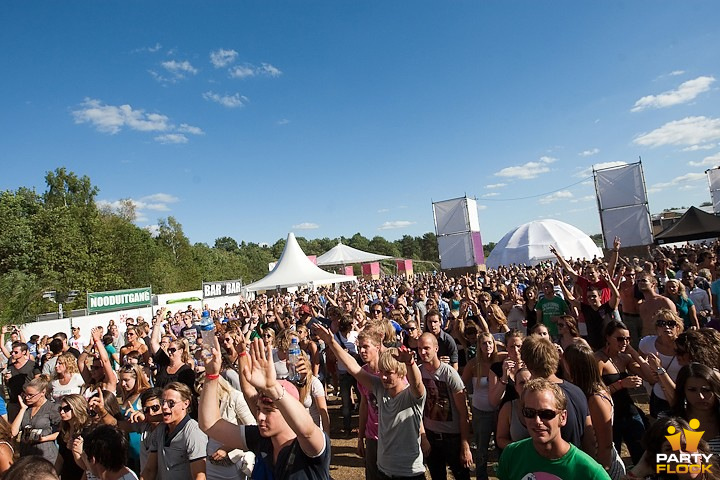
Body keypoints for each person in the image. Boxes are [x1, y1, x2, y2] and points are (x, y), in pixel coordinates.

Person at [199, 338, 331, 480]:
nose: (260, 417)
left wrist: (272, 388)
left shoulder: (310, 446)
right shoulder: (261, 438)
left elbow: (307, 431)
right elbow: (210, 425)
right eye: (259, 409)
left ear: (287, 412)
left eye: (268, 411)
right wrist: (212, 375)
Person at [314, 323, 426, 479]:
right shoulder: (380, 388)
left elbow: (418, 384)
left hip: (409, 472)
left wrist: (411, 363)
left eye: (389, 373)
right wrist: (331, 342)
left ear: (401, 373)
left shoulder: (412, 396)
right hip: (383, 470)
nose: (383, 377)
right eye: (382, 372)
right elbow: (353, 367)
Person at [496, 378, 611, 480]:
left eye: (546, 413)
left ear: (563, 417)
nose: (537, 421)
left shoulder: (590, 472)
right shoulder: (511, 455)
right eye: (529, 413)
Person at [520, 335, 594, 453]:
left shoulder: (534, 397)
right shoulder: (577, 391)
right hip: (577, 460)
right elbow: (589, 437)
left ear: (527, 364)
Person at [563, 343, 626, 479]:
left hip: (603, 467)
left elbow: (606, 445)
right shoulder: (581, 392)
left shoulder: (596, 399)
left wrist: (599, 473)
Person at [418, 333, 472, 480]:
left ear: (436, 349)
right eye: (420, 349)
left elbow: (463, 413)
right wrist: (423, 437)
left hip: (452, 438)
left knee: (461, 475)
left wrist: (465, 444)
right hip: (430, 435)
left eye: (427, 348)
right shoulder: (418, 371)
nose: (423, 352)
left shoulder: (449, 374)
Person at [595, 320, 650, 465]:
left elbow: (650, 377)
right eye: (620, 339)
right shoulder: (599, 360)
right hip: (610, 415)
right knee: (613, 458)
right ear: (607, 338)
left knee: (642, 453)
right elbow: (594, 393)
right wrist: (620, 384)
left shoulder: (624, 358)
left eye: (627, 339)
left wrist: (633, 352)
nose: (624, 342)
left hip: (629, 411)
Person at [141, 382, 207, 480]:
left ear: (185, 404)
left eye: (171, 403)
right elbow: (149, 470)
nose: (164, 407)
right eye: (163, 402)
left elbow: (200, 476)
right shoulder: (160, 430)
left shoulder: (193, 432)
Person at [461, 332, 499, 480]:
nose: (488, 346)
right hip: (480, 412)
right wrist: (466, 404)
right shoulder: (473, 364)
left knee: (501, 447)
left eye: (490, 342)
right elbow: (461, 385)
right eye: (484, 343)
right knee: (481, 450)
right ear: (479, 346)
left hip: (499, 411)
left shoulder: (500, 359)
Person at [639, 309, 684, 417]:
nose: (666, 327)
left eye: (671, 323)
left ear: (678, 327)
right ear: (656, 328)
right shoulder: (647, 343)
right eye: (661, 324)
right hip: (658, 396)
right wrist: (648, 375)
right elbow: (638, 362)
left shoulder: (684, 346)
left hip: (680, 397)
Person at [669, 363, 720, 456]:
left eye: (706, 390)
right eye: (692, 390)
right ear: (683, 391)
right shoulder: (669, 421)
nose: (700, 396)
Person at [10, 376, 61, 464]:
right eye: (26, 394)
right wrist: (22, 409)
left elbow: (61, 432)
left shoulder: (52, 408)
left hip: (45, 455)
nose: (27, 398)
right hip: (26, 456)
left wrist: (44, 438)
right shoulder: (26, 409)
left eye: (31, 395)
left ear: (43, 392)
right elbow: (13, 432)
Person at [118, 363, 151, 473]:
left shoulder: (145, 395)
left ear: (137, 378)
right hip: (127, 449)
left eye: (126, 380)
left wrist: (139, 413)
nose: (122, 384)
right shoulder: (127, 395)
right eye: (121, 380)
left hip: (140, 448)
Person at [495, 367, 532, 449]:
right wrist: (520, 448)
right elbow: (500, 439)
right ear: (515, 387)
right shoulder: (508, 408)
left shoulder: (544, 405)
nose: (526, 386)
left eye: (530, 382)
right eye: (522, 383)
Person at [3, 340, 40, 421]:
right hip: (14, 401)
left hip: (29, 401)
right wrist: (7, 379)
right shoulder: (11, 367)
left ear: (23, 352)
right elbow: (8, 384)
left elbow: (39, 380)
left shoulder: (32, 365)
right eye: (12, 352)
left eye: (16, 352)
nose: (13, 354)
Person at [55, 394, 90, 480]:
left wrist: (76, 452)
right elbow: (60, 458)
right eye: (60, 409)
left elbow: (89, 467)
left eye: (66, 409)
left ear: (77, 408)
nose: (62, 412)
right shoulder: (64, 431)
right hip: (67, 474)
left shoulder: (87, 432)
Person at [637, 273, 677, 338]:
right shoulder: (642, 305)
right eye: (638, 281)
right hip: (647, 341)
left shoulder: (664, 301)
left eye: (644, 280)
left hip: (662, 340)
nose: (640, 283)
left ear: (653, 284)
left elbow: (675, 323)